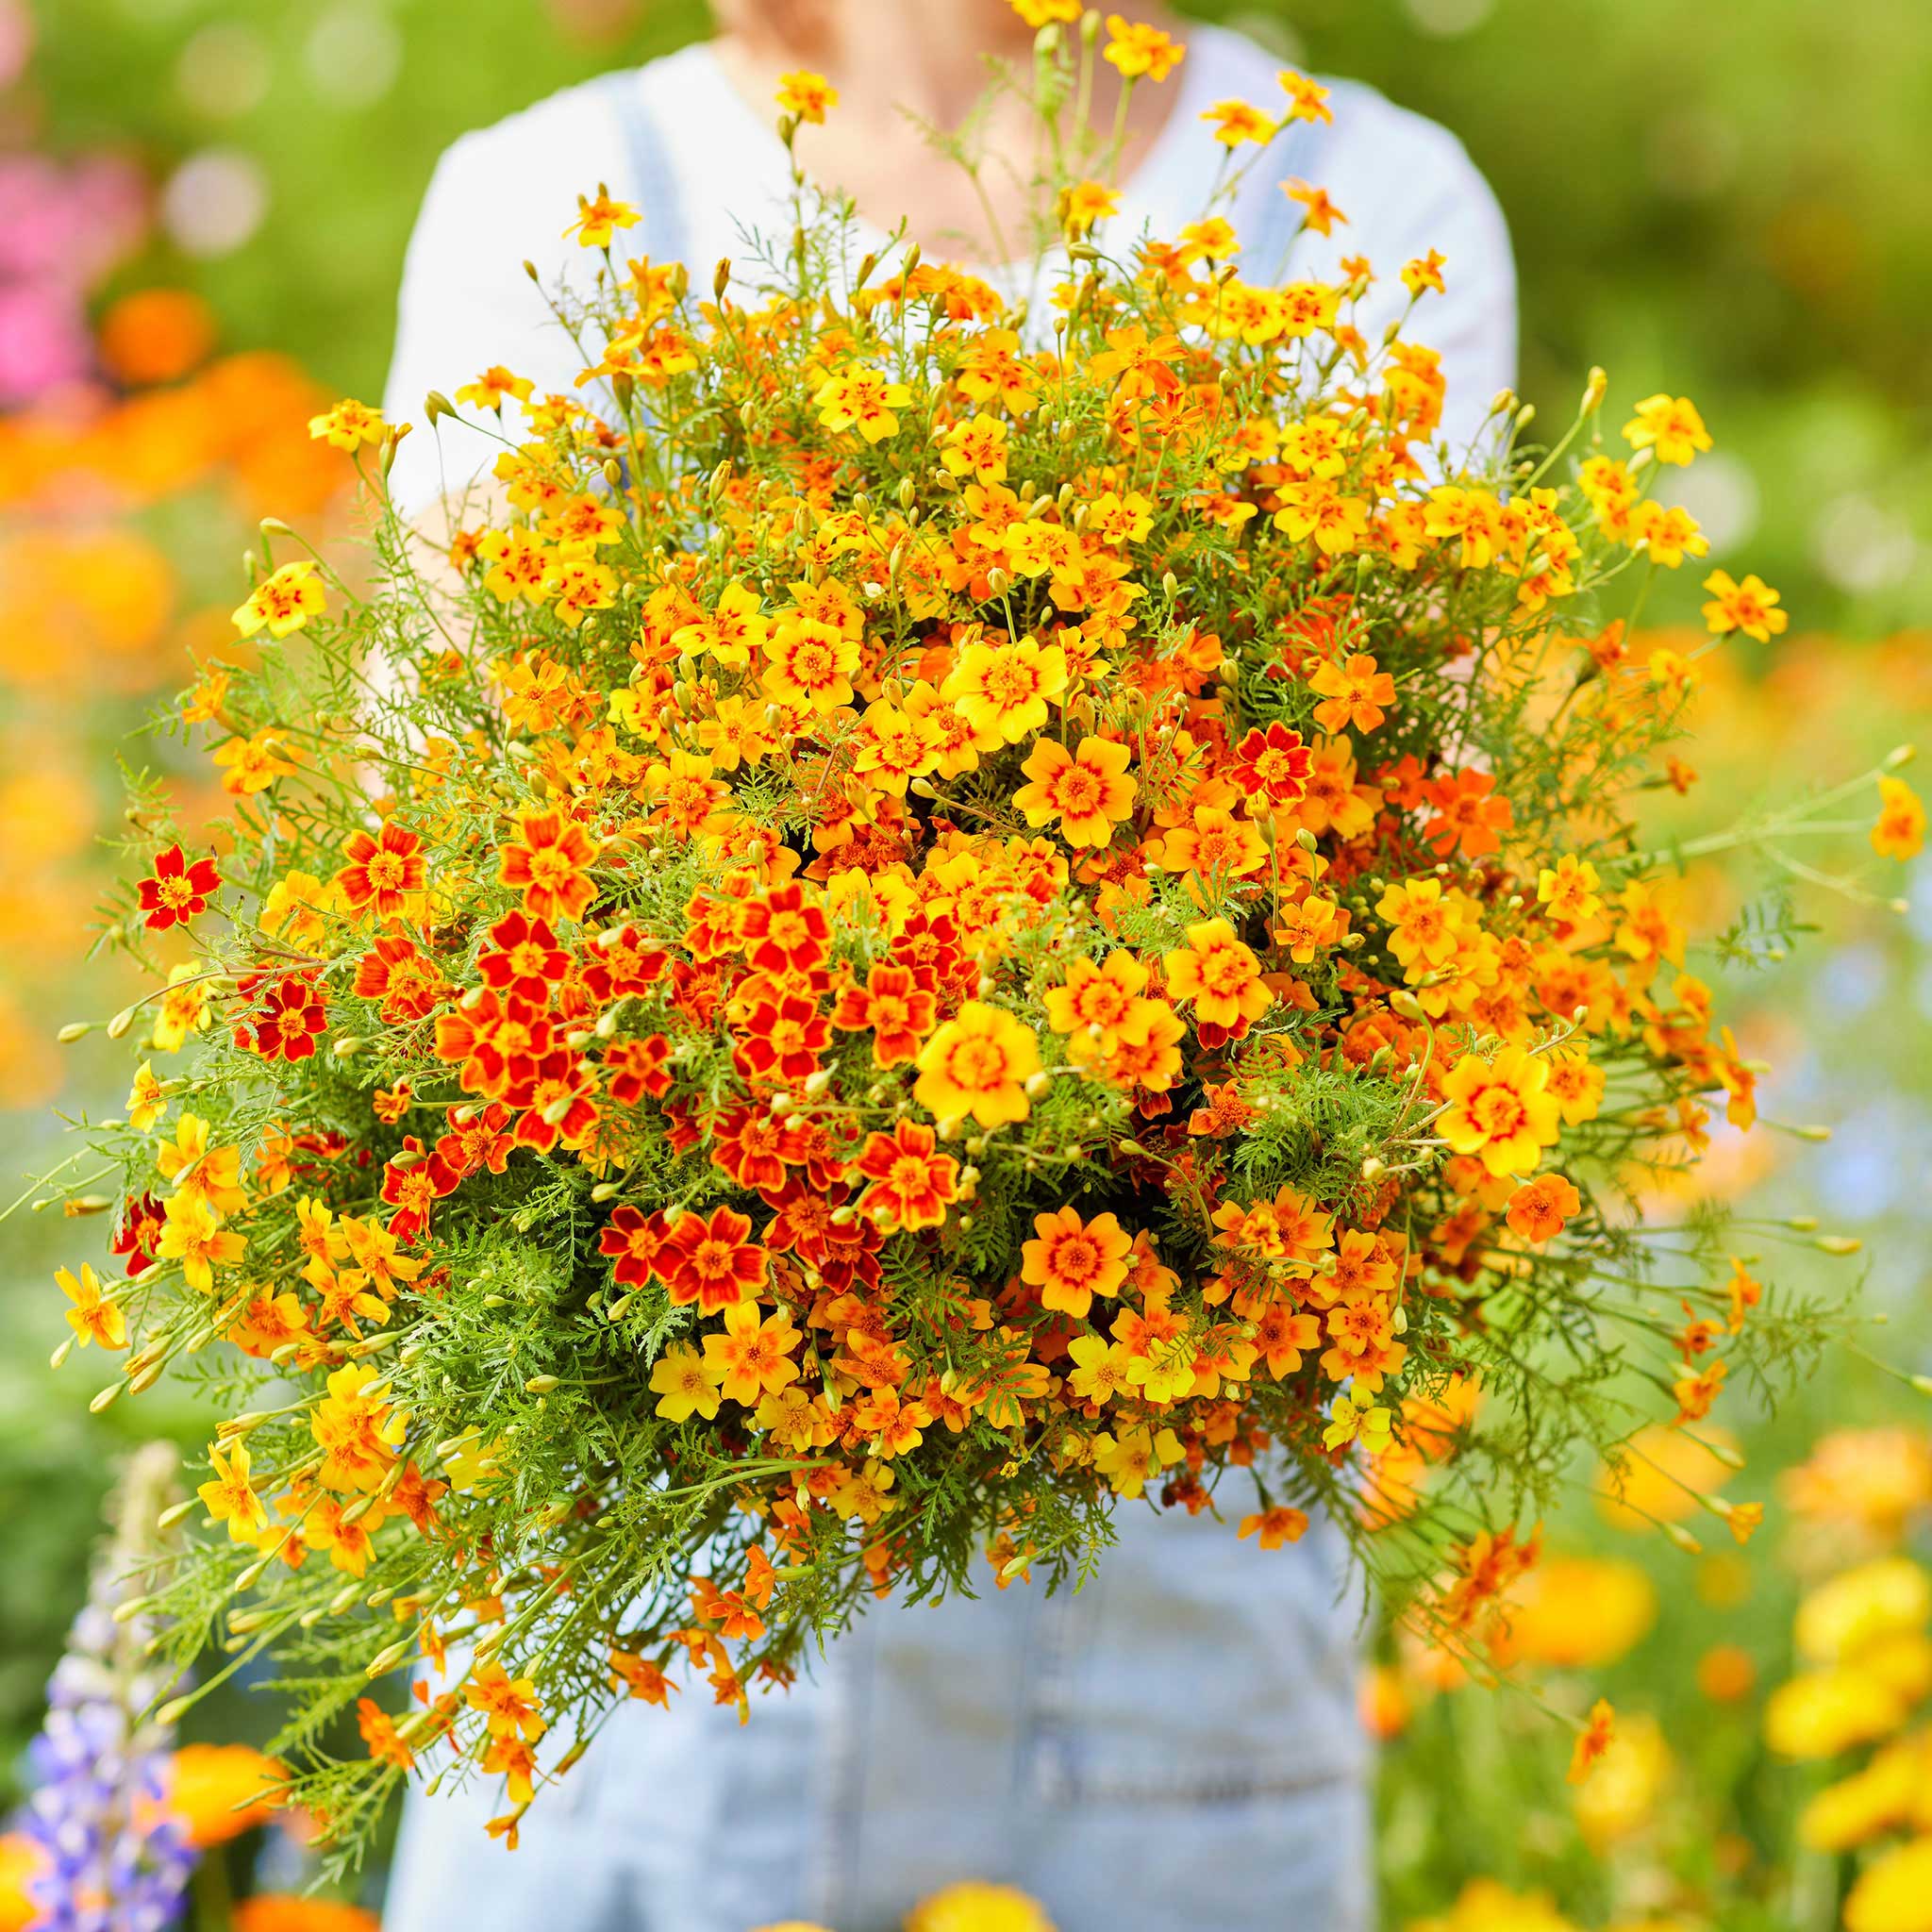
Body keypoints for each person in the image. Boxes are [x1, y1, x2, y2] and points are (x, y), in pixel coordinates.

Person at [379, 6, 1514, 1926]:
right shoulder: (550, 207)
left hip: (1161, 1653)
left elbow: (1412, 918)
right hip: (654, 1648)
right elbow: (445, 927)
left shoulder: (1343, 195)